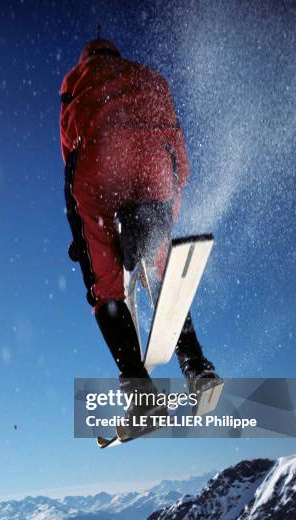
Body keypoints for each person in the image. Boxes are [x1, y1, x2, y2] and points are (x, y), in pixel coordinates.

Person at [59, 37, 219, 402]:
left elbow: (69, 145)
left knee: (103, 281)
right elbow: (178, 150)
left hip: (100, 166)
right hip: (158, 167)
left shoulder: (74, 80)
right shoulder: (148, 74)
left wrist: (82, 234)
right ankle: (197, 365)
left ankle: (138, 387)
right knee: (159, 263)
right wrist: (163, 213)